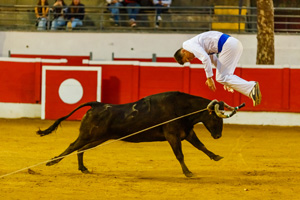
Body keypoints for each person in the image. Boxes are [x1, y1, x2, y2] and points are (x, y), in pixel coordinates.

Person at [174, 31, 262, 106]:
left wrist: (209, 78)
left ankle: (251, 87)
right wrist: (228, 81)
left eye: (187, 58)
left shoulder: (188, 45)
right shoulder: (196, 44)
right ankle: (251, 91)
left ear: (183, 51)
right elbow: (213, 59)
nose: (191, 59)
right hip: (234, 44)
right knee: (224, 76)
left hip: (228, 46)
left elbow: (205, 58)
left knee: (220, 77)